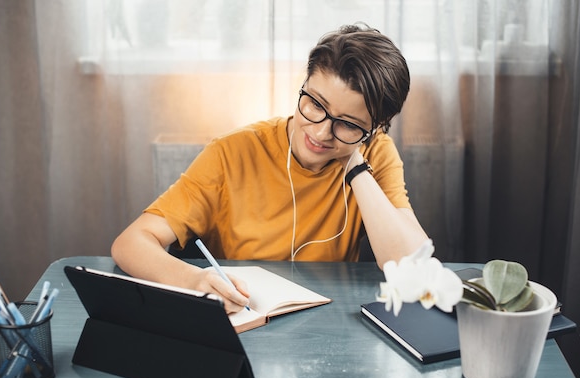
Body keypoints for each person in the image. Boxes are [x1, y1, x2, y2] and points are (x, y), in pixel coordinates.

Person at [111, 23, 429, 314]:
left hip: (326, 322)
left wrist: (356, 165)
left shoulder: (375, 153)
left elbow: (409, 264)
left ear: (375, 129)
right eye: (315, 104)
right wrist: (194, 281)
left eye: (347, 124)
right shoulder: (231, 152)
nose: (320, 133)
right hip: (242, 314)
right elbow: (131, 243)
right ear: (303, 86)